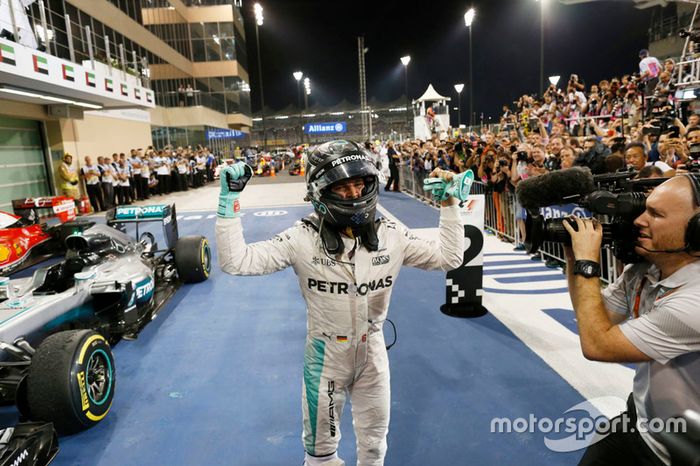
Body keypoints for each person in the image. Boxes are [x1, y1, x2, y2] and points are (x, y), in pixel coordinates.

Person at [215, 140, 464, 466]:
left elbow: (450, 257)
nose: (355, 193)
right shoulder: (300, 237)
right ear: (320, 191)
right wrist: (228, 202)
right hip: (324, 357)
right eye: (343, 186)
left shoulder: (392, 235)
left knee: (374, 448)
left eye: (360, 183)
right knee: (321, 455)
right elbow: (237, 261)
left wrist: (449, 203)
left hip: (372, 354)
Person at [562, 174, 700, 466]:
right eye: (644, 208)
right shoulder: (645, 269)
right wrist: (575, 258)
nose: (639, 220)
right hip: (640, 420)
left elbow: (597, 344)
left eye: (655, 214)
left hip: (679, 450)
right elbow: (595, 316)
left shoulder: (695, 300)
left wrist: (588, 262)